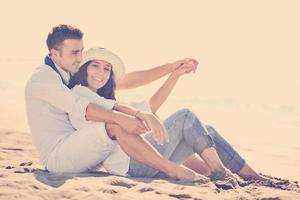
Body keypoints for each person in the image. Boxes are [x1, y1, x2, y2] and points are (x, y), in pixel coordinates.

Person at [67, 47, 266, 185]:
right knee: (186, 116)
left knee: (208, 131)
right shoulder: (80, 92)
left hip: (143, 160)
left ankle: (251, 175)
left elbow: (151, 107)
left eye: (106, 68)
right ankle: (220, 173)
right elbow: (141, 113)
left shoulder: (107, 100)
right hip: (131, 166)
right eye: (95, 65)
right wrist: (144, 114)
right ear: (84, 69)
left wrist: (175, 75)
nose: (101, 72)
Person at [25, 24, 200, 180]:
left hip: (86, 150)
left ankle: (211, 170)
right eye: (74, 52)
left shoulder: (71, 72)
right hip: (59, 157)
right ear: (55, 54)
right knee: (113, 124)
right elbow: (82, 108)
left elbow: (128, 80)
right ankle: (172, 170)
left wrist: (170, 68)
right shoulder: (43, 78)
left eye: (81, 51)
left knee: (182, 134)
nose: (80, 57)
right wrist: (120, 118)